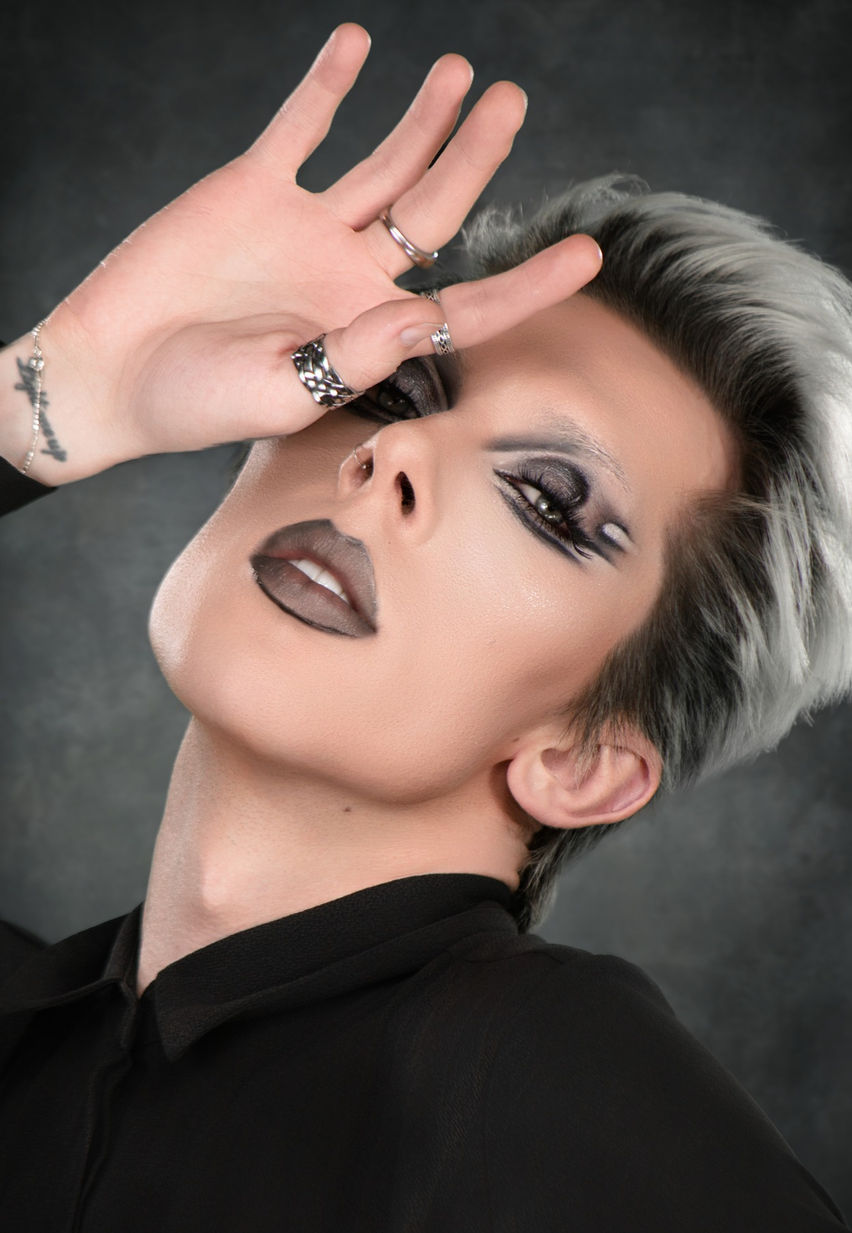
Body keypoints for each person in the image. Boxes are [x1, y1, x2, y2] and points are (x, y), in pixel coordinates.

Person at [0, 22, 849, 1232]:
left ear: (584, 759)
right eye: (395, 390)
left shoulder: (557, 1094)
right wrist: (50, 393)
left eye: (548, 500)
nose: (392, 454)